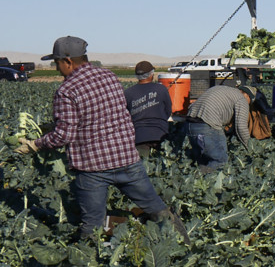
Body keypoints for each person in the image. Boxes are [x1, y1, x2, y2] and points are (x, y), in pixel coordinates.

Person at [15, 37, 184, 240]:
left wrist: (35, 144)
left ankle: (89, 265)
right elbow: (108, 113)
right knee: (158, 210)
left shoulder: (66, 91)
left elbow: (64, 135)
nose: (57, 68)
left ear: (68, 62)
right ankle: (185, 245)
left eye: (57, 63)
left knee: (92, 225)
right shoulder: (109, 76)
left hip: (92, 169)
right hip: (127, 160)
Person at [186, 84, 253, 173]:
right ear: (247, 95)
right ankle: (207, 182)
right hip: (208, 125)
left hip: (190, 125)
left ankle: (198, 181)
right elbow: (241, 127)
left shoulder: (221, 89)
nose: (248, 104)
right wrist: (250, 148)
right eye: (250, 102)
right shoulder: (242, 99)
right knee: (220, 161)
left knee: (203, 161)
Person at [124, 61, 172, 160]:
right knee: (162, 165)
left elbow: (126, 116)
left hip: (139, 136)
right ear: (151, 74)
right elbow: (168, 110)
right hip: (160, 134)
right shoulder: (161, 89)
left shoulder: (128, 93)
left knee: (144, 166)